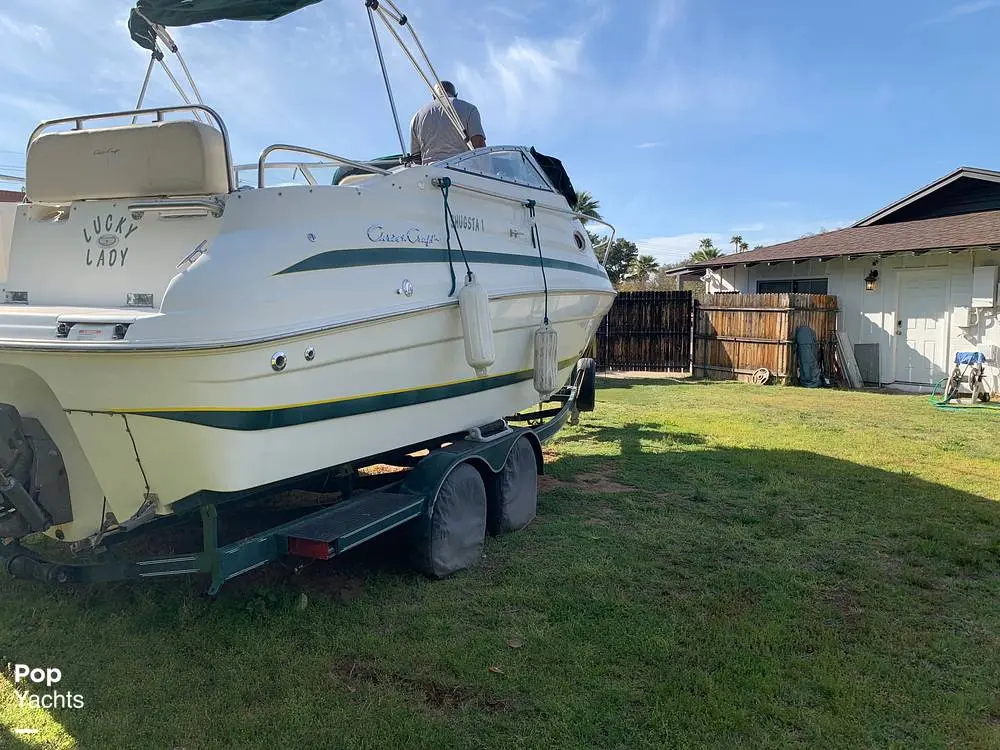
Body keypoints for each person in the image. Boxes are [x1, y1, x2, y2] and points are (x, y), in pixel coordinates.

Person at [409, 80, 486, 164]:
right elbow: (479, 144)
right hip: (461, 169)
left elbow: (416, 157)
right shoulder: (469, 108)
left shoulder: (417, 117)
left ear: (434, 96)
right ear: (456, 95)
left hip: (430, 172)